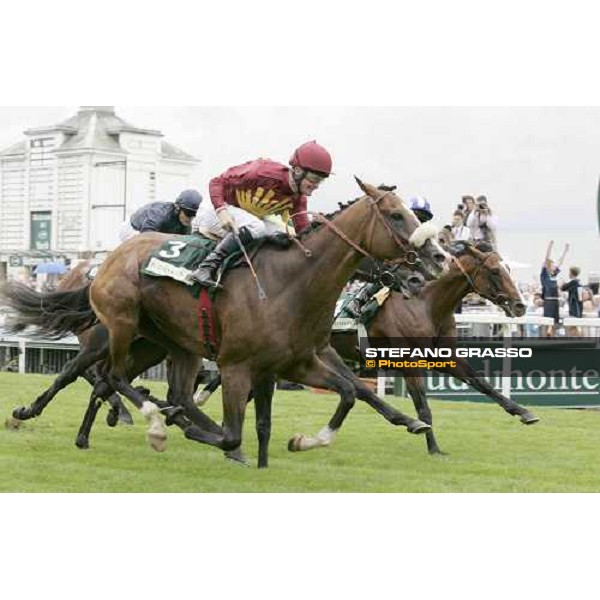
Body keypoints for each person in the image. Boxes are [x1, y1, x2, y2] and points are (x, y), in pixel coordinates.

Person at [190, 141, 332, 288]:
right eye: (314, 179)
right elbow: (216, 182)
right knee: (257, 227)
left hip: (243, 219)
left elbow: (303, 233)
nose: (316, 186)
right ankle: (205, 267)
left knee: (285, 235)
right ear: (297, 171)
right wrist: (221, 211)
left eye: (320, 181)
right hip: (215, 210)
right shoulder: (262, 171)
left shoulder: (298, 199)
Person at [117, 189, 203, 243]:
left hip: (157, 232)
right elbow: (146, 236)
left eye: (193, 214)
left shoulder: (187, 225)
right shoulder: (159, 213)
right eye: (188, 213)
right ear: (177, 207)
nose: (190, 218)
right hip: (133, 230)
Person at [540, 240, 569, 337]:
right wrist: (550, 246)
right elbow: (546, 258)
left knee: (554, 323)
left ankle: (552, 338)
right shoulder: (544, 275)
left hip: (555, 301)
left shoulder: (554, 275)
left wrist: (565, 251)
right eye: (552, 265)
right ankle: (544, 339)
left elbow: (560, 262)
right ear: (549, 266)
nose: (554, 266)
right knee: (546, 322)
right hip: (548, 301)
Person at [560, 266, 583, 336]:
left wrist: (562, 282)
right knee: (575, 325)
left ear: (572, 273)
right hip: (578, 306)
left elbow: (563, 288)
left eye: (569, 272)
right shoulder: (578, 282)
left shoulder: (574, 282)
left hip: (574, 307)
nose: (568, 274)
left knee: (574, 325)